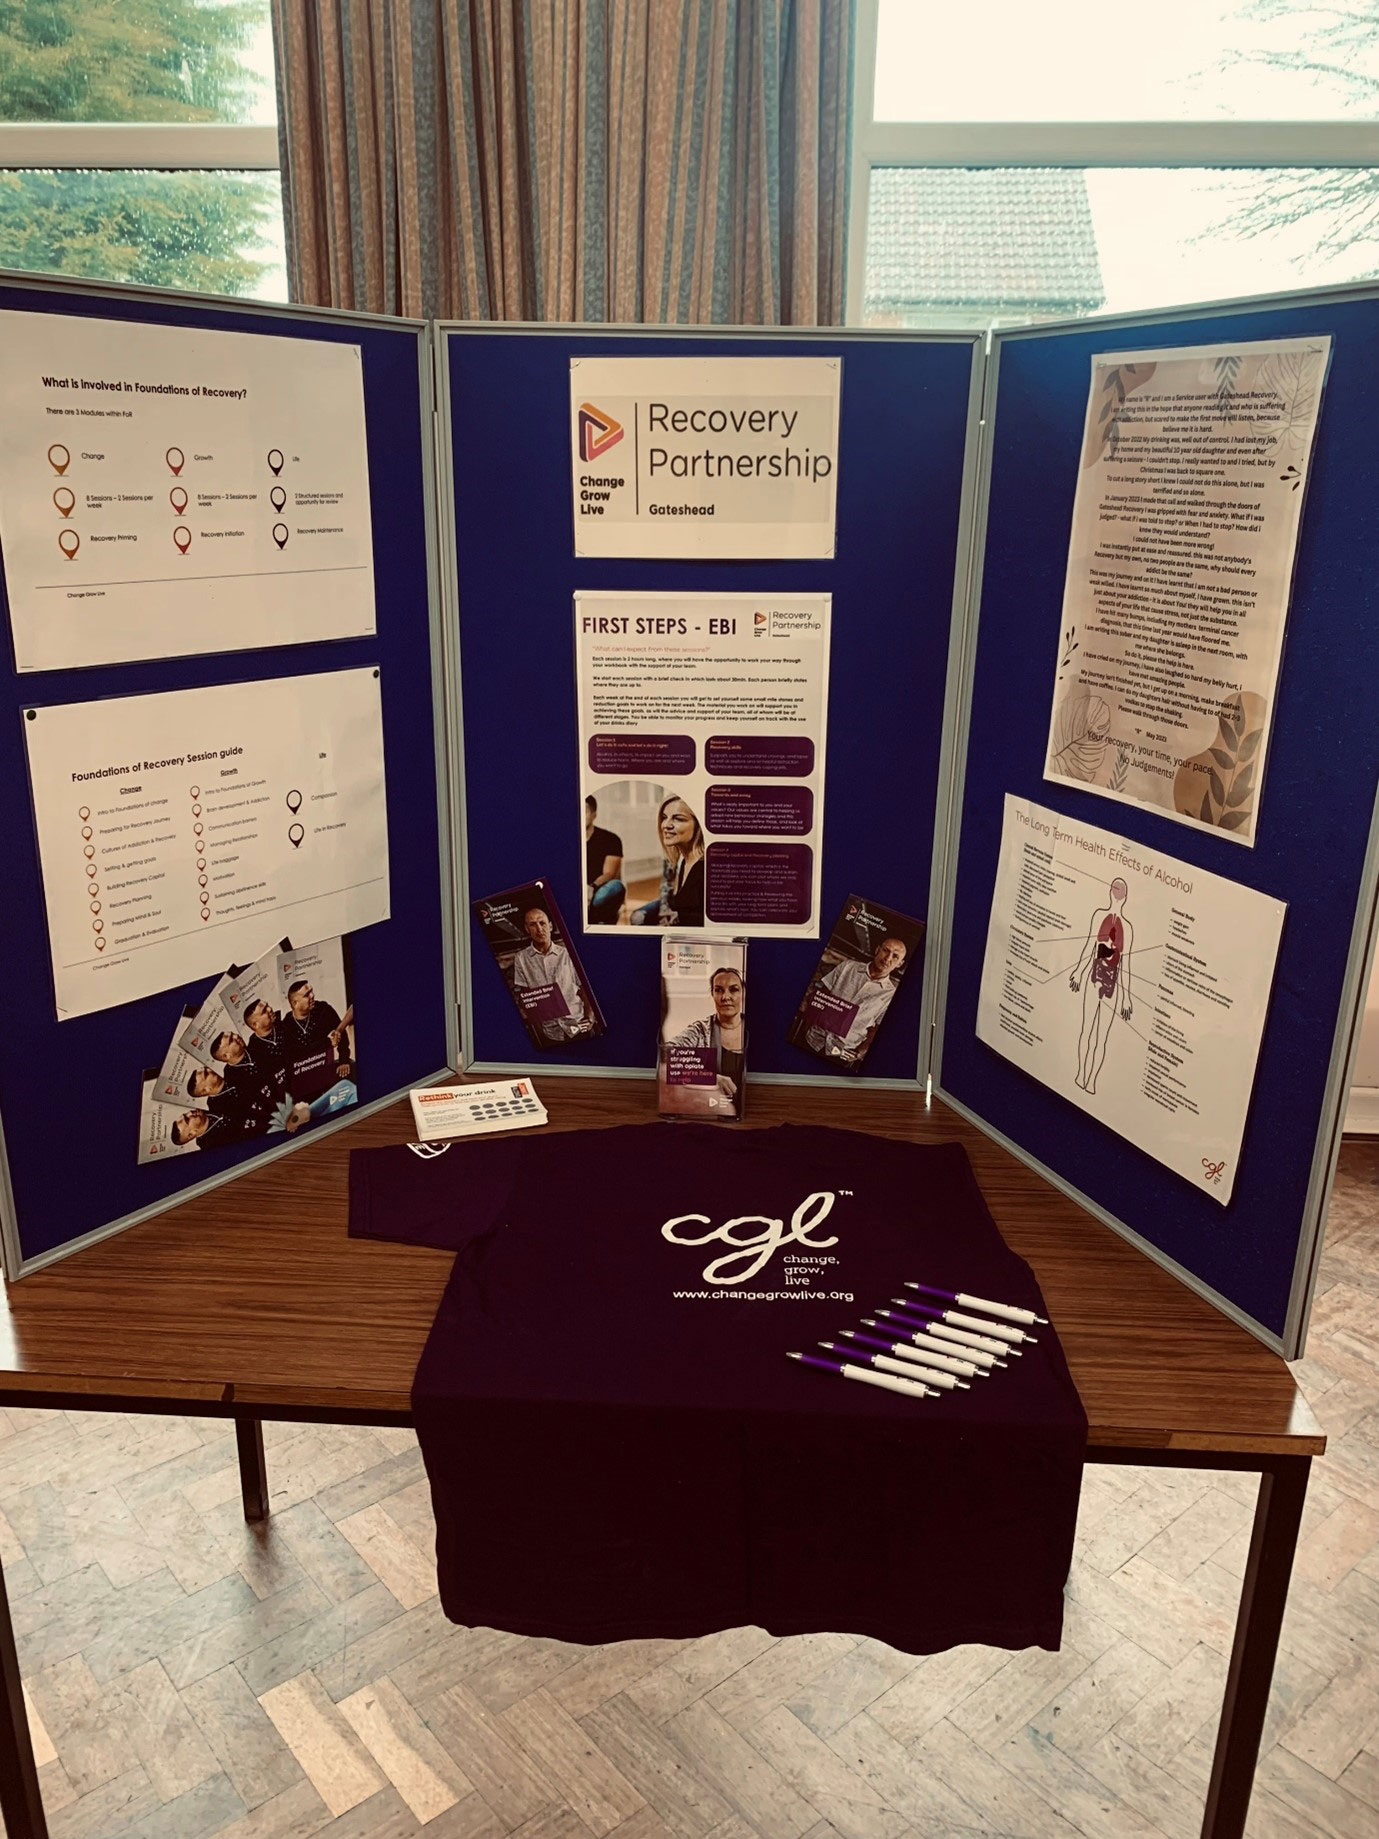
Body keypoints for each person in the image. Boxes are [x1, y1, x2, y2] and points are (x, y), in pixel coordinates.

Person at [1070, 877, 1134, 1096]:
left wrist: (1126, 997)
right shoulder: (1099, 915)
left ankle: (1092, 1081)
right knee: (1086, 1029)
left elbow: (1126, 964)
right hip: (1094, 977)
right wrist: (1078, 972)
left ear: (1124, 897)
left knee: (1101, 1038)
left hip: (1112, 984)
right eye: (1115, 890)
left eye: (1120, 892)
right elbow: (1089, 946)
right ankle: (1081, 1074)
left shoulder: (1128, 929)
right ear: (1110, 892)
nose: (1117, 895)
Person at [803, 935, 908, 1065]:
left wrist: (861, 1051)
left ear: (900, 964)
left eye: (895, 956)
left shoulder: (891, 995)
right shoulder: (848, 967)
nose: (888, 958)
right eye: (885, 950)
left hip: (843, 1053)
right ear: (877, 950)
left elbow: (877, 1030)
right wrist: (808, 1023)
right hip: (813, 1040)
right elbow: (821, 994)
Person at [668, 964, 747, 1117]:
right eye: (718, 990)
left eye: (733, 989)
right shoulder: (700, 1030)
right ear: (712, 994)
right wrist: (710, 1078)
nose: (725, 997)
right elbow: (667, 1057)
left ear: (743, 993)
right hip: (710, 1112)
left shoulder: (752, 1028)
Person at [511, 904, 588, 1042]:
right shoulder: (521, 958)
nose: (539, 929)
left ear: (551, 926)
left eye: (542, 923)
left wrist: (590, 1019)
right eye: (533, 924)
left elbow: (585, 989)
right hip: (550, 1032)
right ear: (527, 929)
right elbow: (525, 995)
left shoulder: (568, 953)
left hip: (578, 1025)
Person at [635, 795, 704, 927]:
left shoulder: (704, 867)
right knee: (637, 917)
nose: (666, 825)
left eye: (678, 819)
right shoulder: (685, 861)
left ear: (699, 825)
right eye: (664, 818)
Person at [585, 795, 625, 925]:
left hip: (597, 890)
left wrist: (591, 887)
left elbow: (609, 873)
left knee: (616, 886)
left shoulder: (611, 839)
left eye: (584, 811)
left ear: (594, 815)